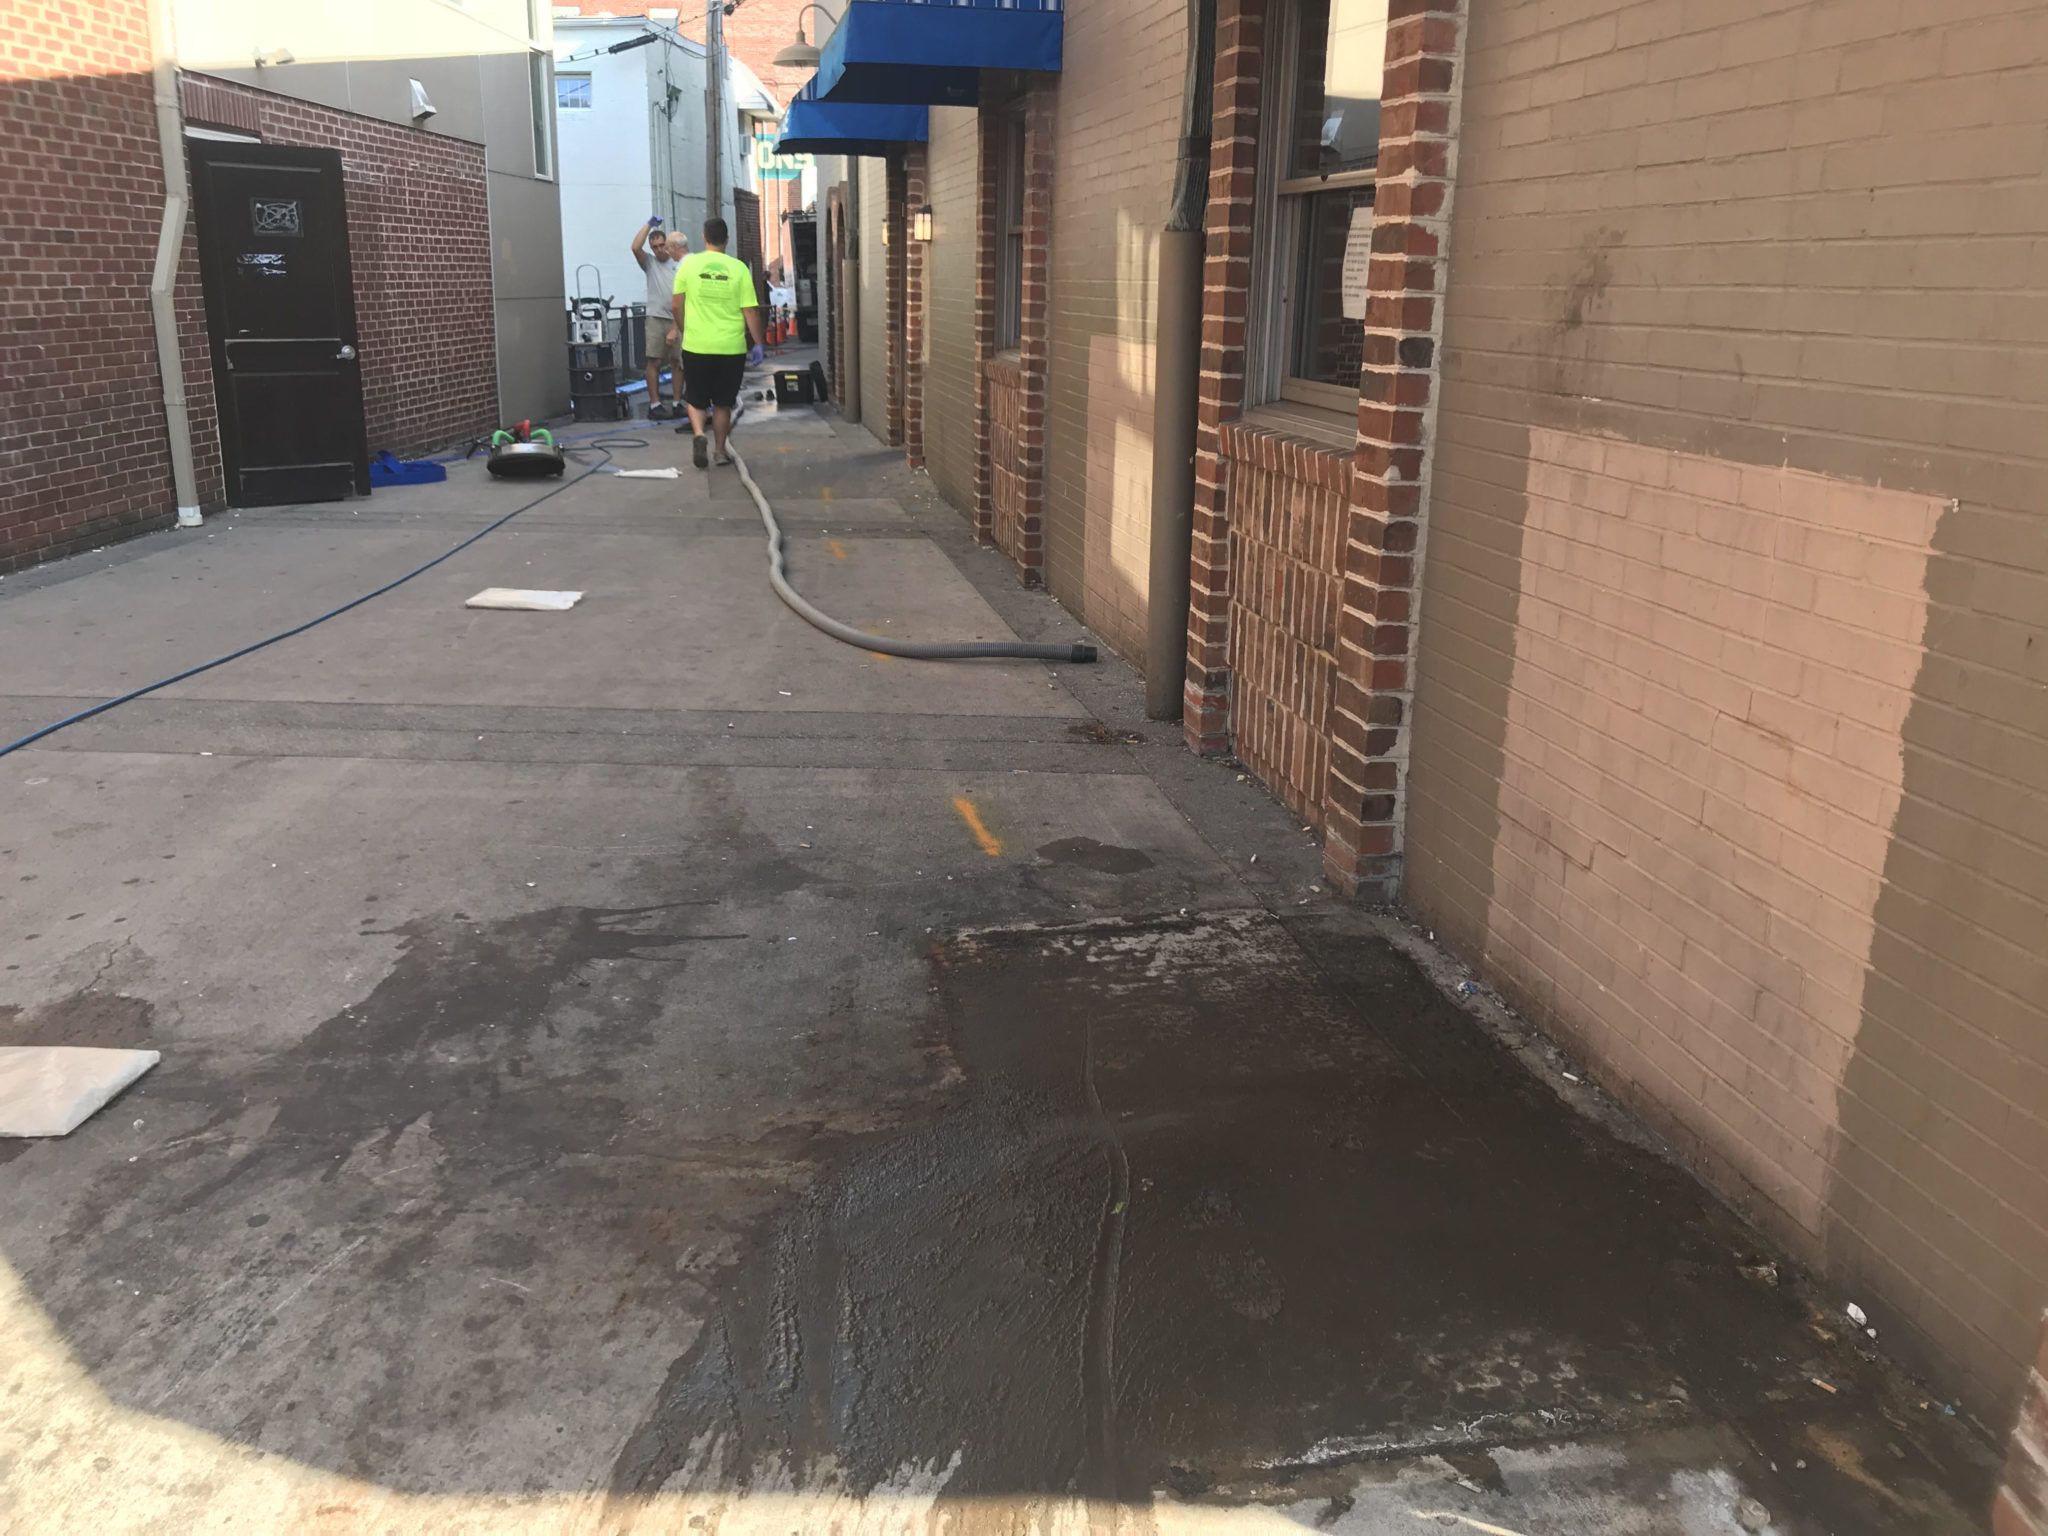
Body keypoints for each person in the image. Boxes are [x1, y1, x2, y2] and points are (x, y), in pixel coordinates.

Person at [670, 216, 766, 469]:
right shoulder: (738, 269)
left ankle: (700, 433)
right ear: (727, 239)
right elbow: (750, 311)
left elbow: (676, 304)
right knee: (723, 403)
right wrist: (758, 343)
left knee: (696, 399)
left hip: (697, 345)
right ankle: (720, 451)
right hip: (730, 348)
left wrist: (683, 328)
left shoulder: (688, 267)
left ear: (704, 238)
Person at [630, 219, 687, 419]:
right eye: (655, 247)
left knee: (678, 362)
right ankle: (655, 405)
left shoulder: (679, 264)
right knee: (653, 361)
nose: (659, 250)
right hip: (655, 317)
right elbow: (635, 247)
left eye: (662, 245)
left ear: (668, 245)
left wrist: (676, 324)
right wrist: (648, 225)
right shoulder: (650, 264)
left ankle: (677, 402)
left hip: (676, 318)